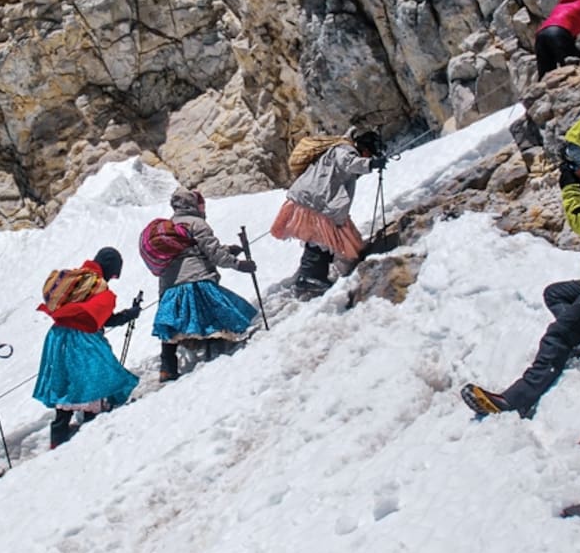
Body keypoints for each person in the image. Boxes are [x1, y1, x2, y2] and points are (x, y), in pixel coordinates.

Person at [461, 112, 580, 418]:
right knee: (556, 294)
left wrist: (570, 187)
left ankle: (516, 399)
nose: (579, 164)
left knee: (558, 334)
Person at [33, 247, 141, 448]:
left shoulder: (76, 279)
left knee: (66, 385)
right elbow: (105, 319)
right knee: (94, 382)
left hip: (57, 339)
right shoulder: (98, 286)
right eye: (114, 274)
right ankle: (91, 437)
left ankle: (57, 439)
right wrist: (130, 314)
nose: (112, 278)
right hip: (83, 340)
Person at [152, 188, 259, 382]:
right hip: (197, 281)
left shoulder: (167, 227)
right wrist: (239, 264)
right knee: (216, 314)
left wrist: (227, 250)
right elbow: (213, 254)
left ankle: (167, 368)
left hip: (170, 287)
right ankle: (215, 357)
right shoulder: (197, 224)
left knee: (170, 327)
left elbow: (187, 253)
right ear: (193, 205)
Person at [271, 127, 386, 296]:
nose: (370, 157)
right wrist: (371, 164)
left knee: (320, 238)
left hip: (315, 200)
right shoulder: (345, 150)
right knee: (320, 240)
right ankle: (309, 278)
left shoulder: (341, 149)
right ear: (366, 149)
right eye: (371, 154)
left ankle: (311, 276)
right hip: (317, 201)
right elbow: (349, 163)